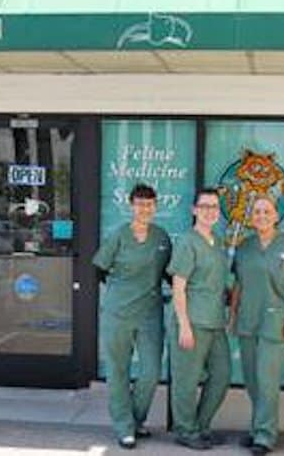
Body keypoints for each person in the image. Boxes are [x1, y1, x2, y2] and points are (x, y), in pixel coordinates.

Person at [230, 195, 284, 455]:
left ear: (276, 216)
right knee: (252, 380)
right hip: (247, 321)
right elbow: (238, 285)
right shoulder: (245, 247)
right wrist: (233, 316)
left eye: (267, 211)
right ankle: (258, 428)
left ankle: (265, 435)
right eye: (257, 211)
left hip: (276, 322)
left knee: (267, 380)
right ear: (251, 217)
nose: (262, 215)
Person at [92, 183, 172, 449]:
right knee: (118, 371)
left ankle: (136, 420)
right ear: (131, 206)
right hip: (118, 314)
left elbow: (169, 275)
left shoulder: (162, 238)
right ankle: (124, 426)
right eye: (139, 204)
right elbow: (99, 269)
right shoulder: (118, 236)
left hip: (150, 313)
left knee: (151, 371)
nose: (144, 209)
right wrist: (120, 293)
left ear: (155, 206)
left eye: (149, 204)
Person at [166, 188, 233, 450]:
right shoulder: (187, 241)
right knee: (186, 379)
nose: (210, 211)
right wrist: (183, 324)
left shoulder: (218, 242)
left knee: (222, 374)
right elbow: (178, 286)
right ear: (195, 210)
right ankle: (185, 429)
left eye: (215, 207)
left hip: (215, 321)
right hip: (191, 321)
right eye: (204, 206)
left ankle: (201, 425)